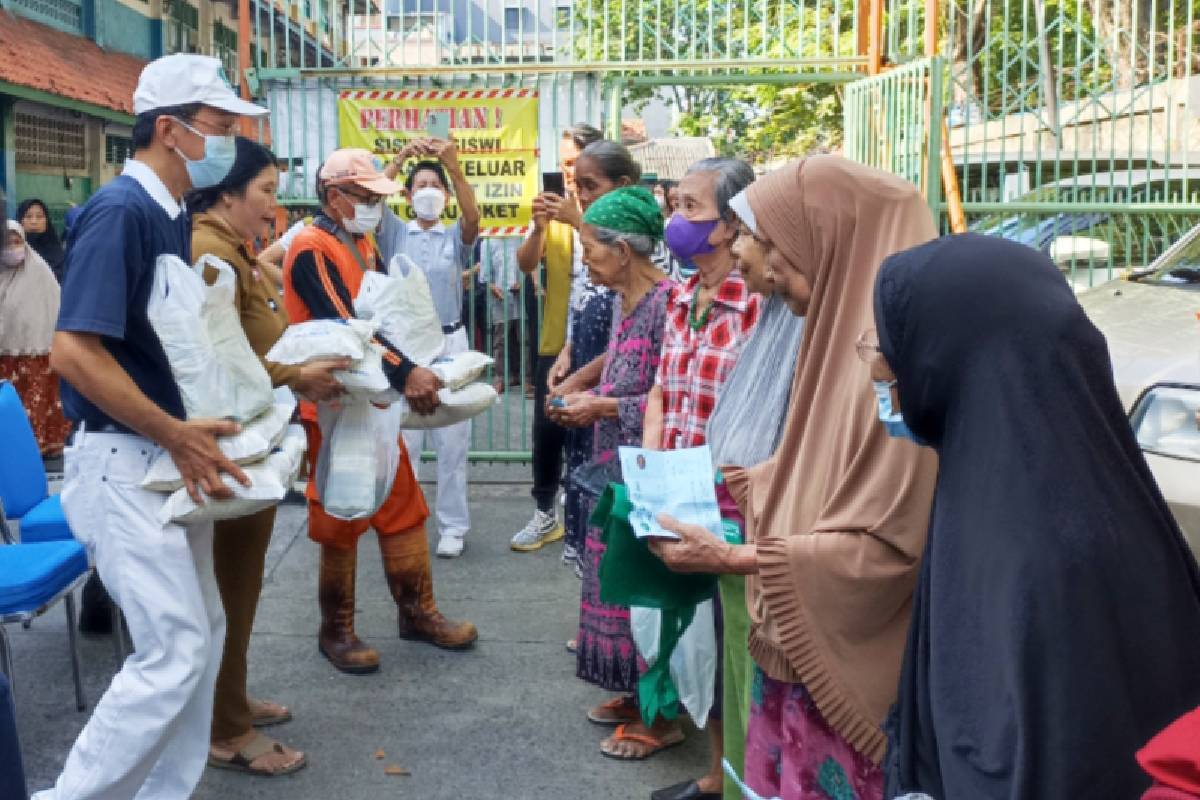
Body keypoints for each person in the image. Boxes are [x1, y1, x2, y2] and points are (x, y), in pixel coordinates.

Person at [648, 156, 939, 800]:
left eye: (773, 242)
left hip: (845, 664)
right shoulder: (831, 335)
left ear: (831, 240)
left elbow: (885, 544)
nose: (760, 260)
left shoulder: (889, 365)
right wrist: (741, 484)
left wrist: (735, 553)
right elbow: (811, 471)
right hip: (795, 641)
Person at [872, 234, 1200, 799]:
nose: (878, 365)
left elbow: (1027, 759)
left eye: (887, 345)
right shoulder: (1053, 484)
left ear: (942, 354)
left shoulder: (1031, 551)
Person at [35, 54, 268, 800]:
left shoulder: (167, 215)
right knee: (172, 652)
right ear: (170, 130)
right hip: (125, 460)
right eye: (218, 127)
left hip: (161, 456)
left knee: (202, 636)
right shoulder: (122, 211)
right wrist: (175, 430)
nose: (228, 142)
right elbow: (73, 351)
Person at [282, 148, 477, 676]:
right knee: (344, 512)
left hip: (370, 398)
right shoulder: (310, 248)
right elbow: (348, 327)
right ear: (333, 197)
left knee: (401, 505)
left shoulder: (358, 240)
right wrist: (409, 371)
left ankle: (417, 613)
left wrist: (408, 365)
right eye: (364, 197)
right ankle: (337, 629)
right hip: (336, 404)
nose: (372, 206)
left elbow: (378, 317)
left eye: (375, 199)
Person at [189, 137, 347, 777]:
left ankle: (232, 700)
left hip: (250, 435)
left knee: (241, 587)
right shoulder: (207, 252)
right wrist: (293, 373)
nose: (273, 208)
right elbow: (213, 363)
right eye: (265, 193)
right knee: (228, 589)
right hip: (229, 439)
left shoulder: (230, 247)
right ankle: (225, 728)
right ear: (227, 192)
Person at [617, 159, 758, 794]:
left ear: (731, 223)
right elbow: (658, 393)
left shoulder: (758, 304)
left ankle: (729, 780)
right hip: (676, 490)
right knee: (695, 636)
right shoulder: (680, 298)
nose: (676, 221)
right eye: (674, 206)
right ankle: (716, 774)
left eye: (691, 208)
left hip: (732, 502)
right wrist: (652, 472)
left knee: (736, 647)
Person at [546, 186, 674, 743]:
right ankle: (634, 690)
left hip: (650, 466)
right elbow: (619, 354)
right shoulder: (628, 300)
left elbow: (679, 397)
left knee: (649, 592)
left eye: (592, 249)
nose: (586, 260)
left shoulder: (670, 305)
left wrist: (600, 405)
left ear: (623, 250)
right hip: (614, 461)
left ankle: (662, 717)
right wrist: (582, 378)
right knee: (618, 586)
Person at [699, 185, 806, 800]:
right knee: (743, 682)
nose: (734, 250)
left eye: (746, 235)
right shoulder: (779, 309)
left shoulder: (832, 326)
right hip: (746, 531)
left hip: (778, 550)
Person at [378, 139, 481, 559]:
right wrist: (400, 159)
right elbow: (373, 198)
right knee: (405, 443)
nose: (427, 190)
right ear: (407, 194)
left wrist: (452, 168)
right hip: (404, 346)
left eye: (434, 184)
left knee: (452, 441)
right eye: (419, 184)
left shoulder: (453, 235)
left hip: (449, 341)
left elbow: (473, 217)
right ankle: (408, 519)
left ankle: (453, 527)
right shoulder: (395, 233)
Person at [510, 122, 604, 555]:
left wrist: (577, 218)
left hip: (603, 343)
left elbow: (618, 252)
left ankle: (590, 512)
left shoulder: (610, 211)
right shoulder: (557, 213)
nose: (566, 175)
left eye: (574, 164)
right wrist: (539, 227)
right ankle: (546, 512)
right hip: (557, 339)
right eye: (563, 165)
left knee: (597, 430)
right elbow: (527, 264)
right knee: (547, 429)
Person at [1, 220, 72, 456]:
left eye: (17, 241)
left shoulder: (40, 270)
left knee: (34, 403)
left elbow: (56, 307)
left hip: (37, 352)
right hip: (5, 355)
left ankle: (36, 449)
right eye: (7, 243)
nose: (13, 247)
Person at [479, 236, 525, 394]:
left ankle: (526, 378)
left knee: (525, 340)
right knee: (500, 341)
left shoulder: (522, 237)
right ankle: (501, 378)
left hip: (522, 296)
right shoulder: (488, 242)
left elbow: (529, 266)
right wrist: (493, 288)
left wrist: (523, 283)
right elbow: (485, 276)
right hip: (499, 297)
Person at [17, 198, 66, 282]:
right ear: (20, 220)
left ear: (46, 221)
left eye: (39, 216)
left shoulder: (58, 254)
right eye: (28, 216)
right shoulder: (12, 252)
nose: (34, 221)